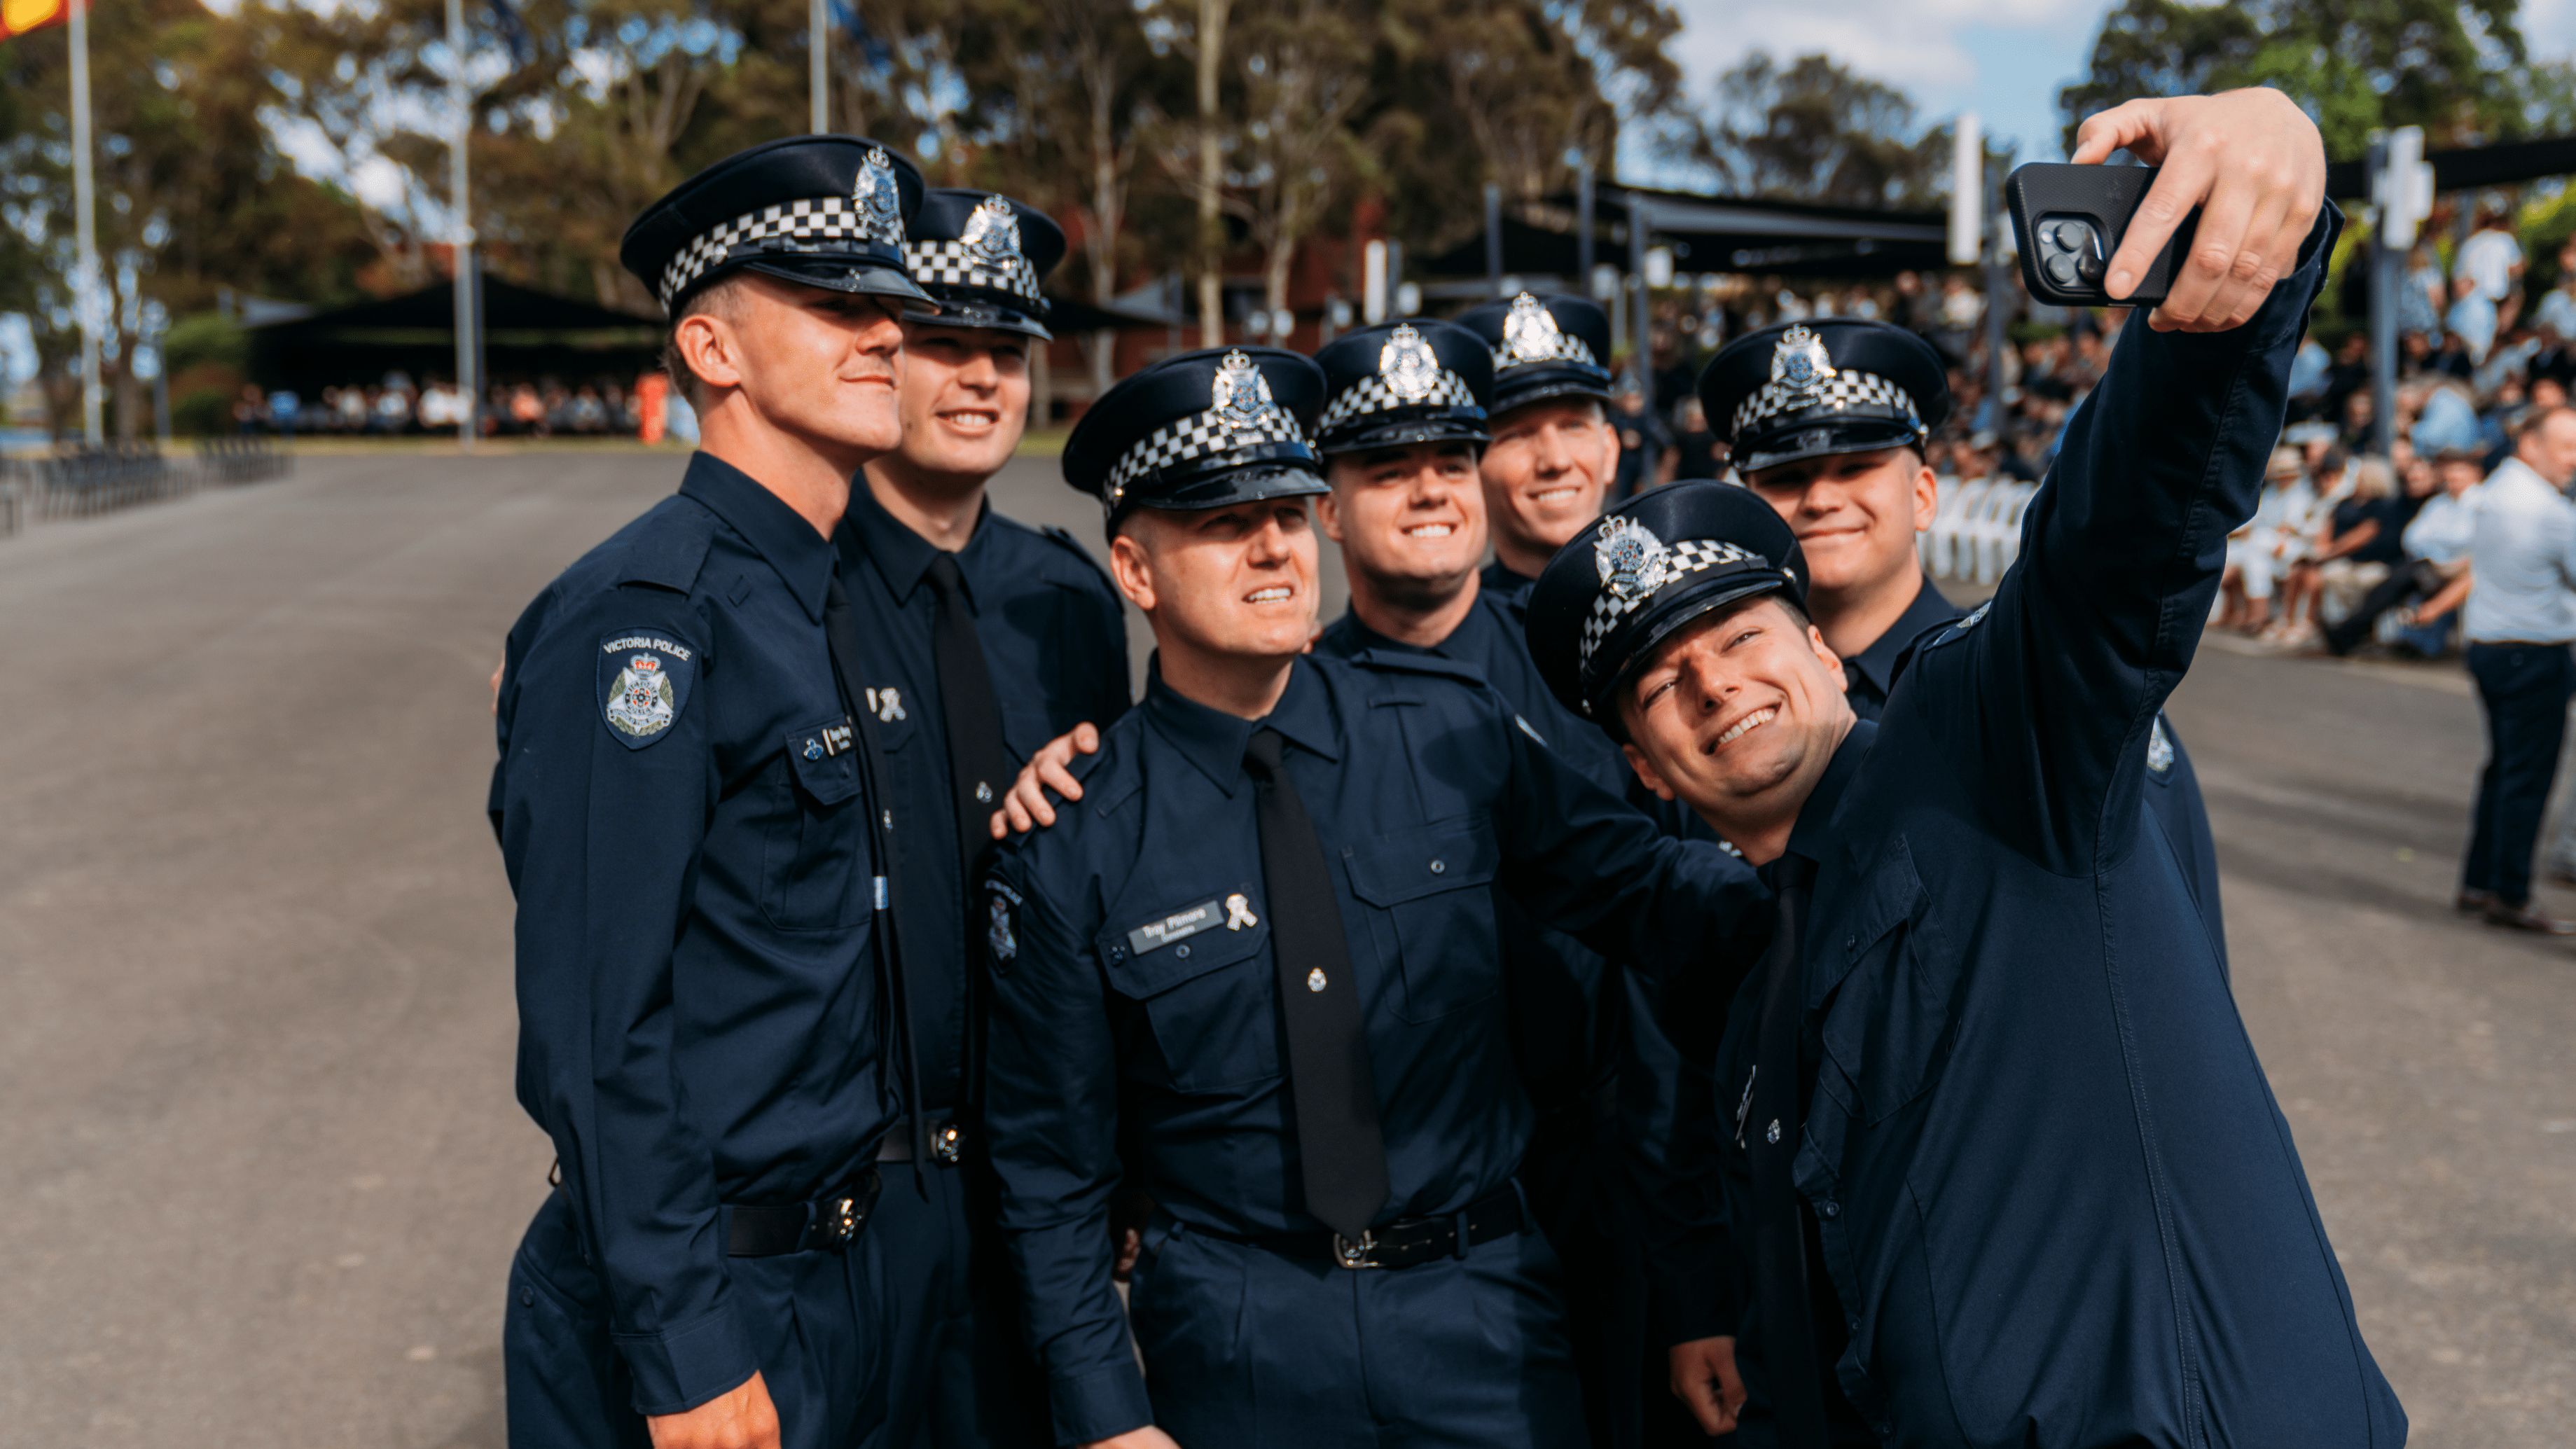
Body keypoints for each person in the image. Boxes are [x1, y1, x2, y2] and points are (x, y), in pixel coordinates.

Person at [1526, 88, 2404, 1448]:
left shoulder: (1986, 746)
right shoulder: (1765, 986)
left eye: (1746, 635)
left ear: (1825, 656)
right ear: (1646, 765)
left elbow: (2116, 541)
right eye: (1660, 683)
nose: (1714, 680)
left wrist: (2235, 260)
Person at [977, 345, 1768, 1449]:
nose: (1270, 547)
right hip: (1239, 1338)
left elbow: (1646, 893)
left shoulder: (1450, 731)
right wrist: (1107, 1416)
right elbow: (1049, 1174)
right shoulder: (1073, 838)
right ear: (1134, 570)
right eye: (1220, 522)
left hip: (1481, 1317)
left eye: (1289, 514)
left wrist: (1825, 851)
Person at [490, 134, 937, 1449]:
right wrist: (685, 1351)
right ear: (712, 349)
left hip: (848, 1272)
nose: (885, 336)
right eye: (835, 305)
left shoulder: (835, 599)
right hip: (707, 1302)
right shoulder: (644, 624)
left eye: (889, 308)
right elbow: (597, 1020)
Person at [1301, 317, 1723, 1448]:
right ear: (1328, 501)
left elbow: (1664, 969)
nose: (1432, 490)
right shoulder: (1279, 704)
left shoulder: (1584, 668)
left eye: (1447, 457)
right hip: (1405, 1223)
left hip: (1607, 1181)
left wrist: (1687, 1269)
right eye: (1392, 467)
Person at [840, 188, 1130, 1448]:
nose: (978, 379)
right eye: (941, 343)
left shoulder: (1068, 596)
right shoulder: (795, 584)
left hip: (1031, 1168)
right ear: (879, 356)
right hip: (853, 1180)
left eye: (1004, 352)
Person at [2456, 405, 2576, 932]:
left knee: (2502, 769)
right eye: (2567, 445)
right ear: (2530, 444)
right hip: (2532, 651)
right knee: (2525, 779)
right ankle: (2509, 892)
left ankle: (2479, 882)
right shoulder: (2548, 510)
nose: (2574, 459)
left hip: (2489, 645)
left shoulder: (2497, 488)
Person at [1450, 292, 1621, 601]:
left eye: (1574, 426)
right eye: (1516, 435)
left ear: (1610, 450)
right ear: (1470, 471)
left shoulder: (1682, 606)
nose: (1555, 461)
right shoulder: (1443, 637)